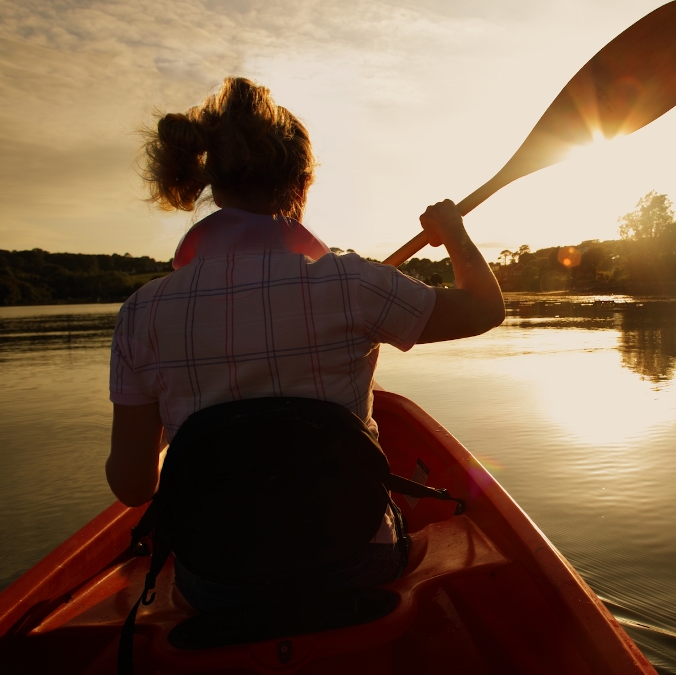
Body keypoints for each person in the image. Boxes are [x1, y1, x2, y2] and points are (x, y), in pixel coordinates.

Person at [105, 77, 504, 610]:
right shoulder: (353, 283)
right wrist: (453, 233)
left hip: (216, 582)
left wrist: (171, 437)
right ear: (302, 183)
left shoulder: (142, 312)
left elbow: (132, 487)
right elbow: (484, 308)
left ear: (211, 181)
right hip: (355, 560)